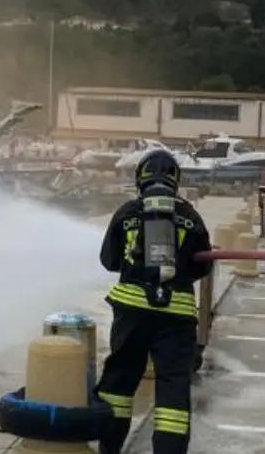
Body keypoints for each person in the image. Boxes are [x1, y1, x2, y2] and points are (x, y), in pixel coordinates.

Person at [94, 149, 213, 454]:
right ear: (176, 180)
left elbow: (109, 260)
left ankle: (109, 448)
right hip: (176, 317)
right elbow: (203, 267)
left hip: (132, 312)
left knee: (119, 383)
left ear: (140, 178)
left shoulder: (127, 213)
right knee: (173, 390)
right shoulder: (191, 217)